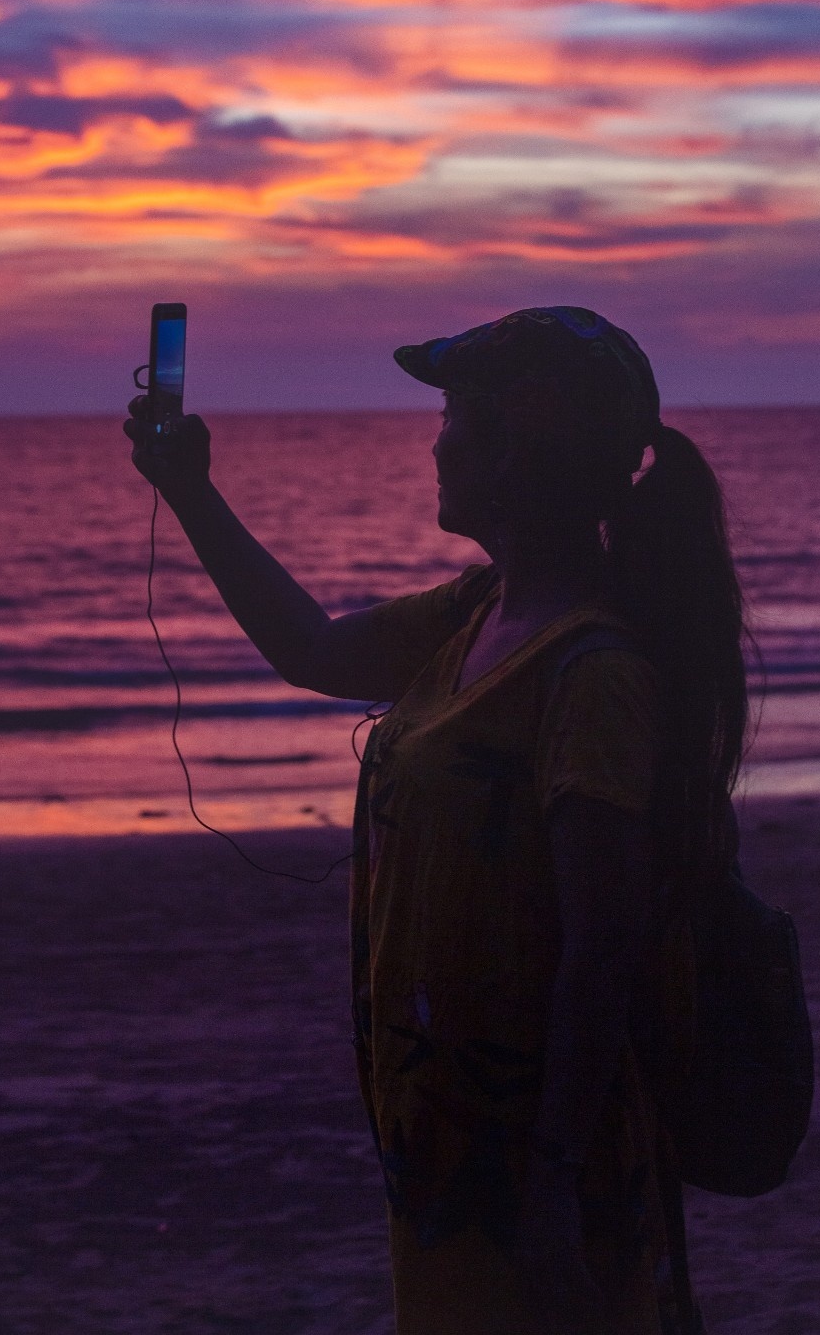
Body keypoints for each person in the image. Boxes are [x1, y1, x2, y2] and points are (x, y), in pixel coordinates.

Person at [125, 306, 747, 1335]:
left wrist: (548, 1188)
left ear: (519, 445)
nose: (434, 437)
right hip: (451, 1146)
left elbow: (605, 948)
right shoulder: (476, 611)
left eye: (456, 412)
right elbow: (314, 650)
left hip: (540, 1164)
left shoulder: (592, 672)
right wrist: (188, 488)